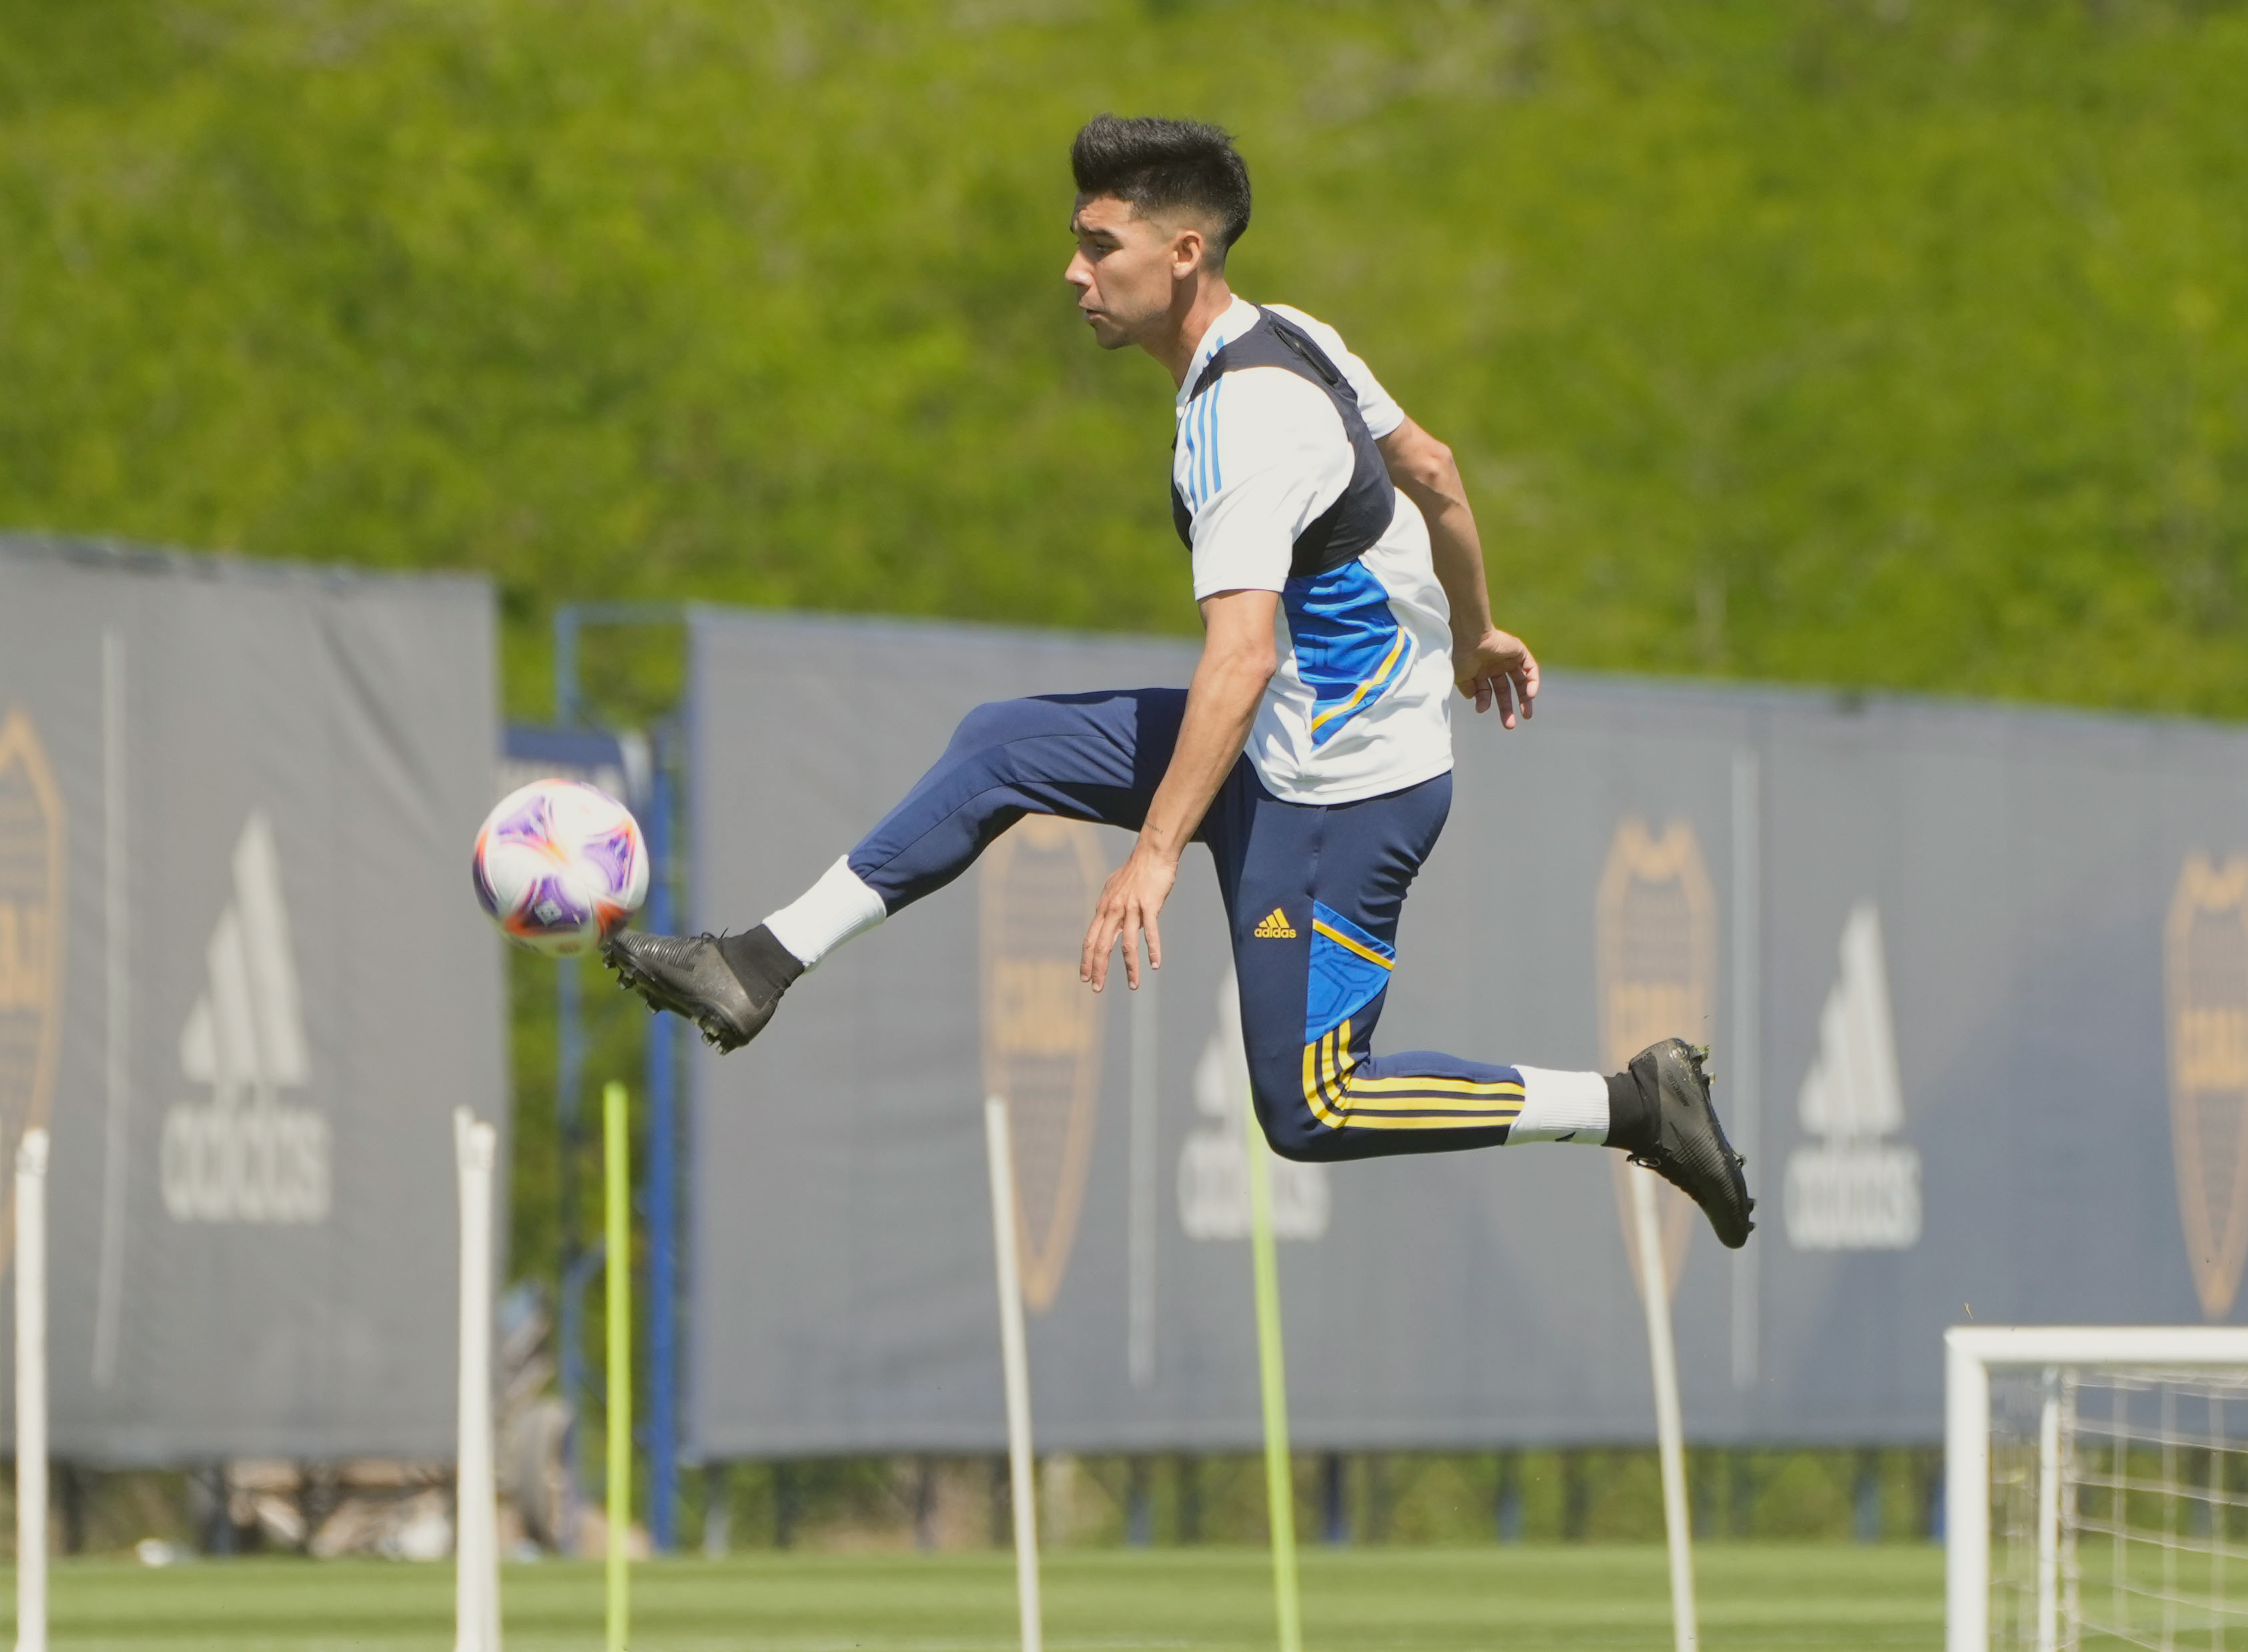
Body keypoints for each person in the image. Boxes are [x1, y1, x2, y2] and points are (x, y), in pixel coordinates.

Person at [607, 114, 1754, 1246]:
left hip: (1337, 805)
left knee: (1313, 1110)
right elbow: (1434, 472)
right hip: (1286, 748)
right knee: (1002, 744)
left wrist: (1155, 852)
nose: (1074, 272)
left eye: (1100, 245)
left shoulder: (1242, 422)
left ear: (1184, 252)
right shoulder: (1288, 331)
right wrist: (1476, 631)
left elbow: (1243, 658)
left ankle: (1631, 1103)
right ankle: (754, 964)